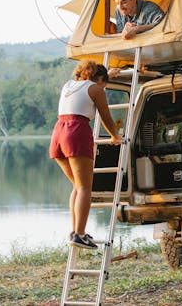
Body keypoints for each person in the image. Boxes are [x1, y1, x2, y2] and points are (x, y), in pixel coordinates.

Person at [49, 60, 122, 249]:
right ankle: (80, 235)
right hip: (76, 132)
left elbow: (88, 87)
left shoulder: (69, 85)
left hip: (58, 132)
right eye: (105, 82)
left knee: (77, 186)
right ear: (100, 79)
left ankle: (75, 231)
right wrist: (115, 136)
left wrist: (109, 75)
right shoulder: (96, 89)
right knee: (85, 188)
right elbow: (105, 116)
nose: (104, 87)